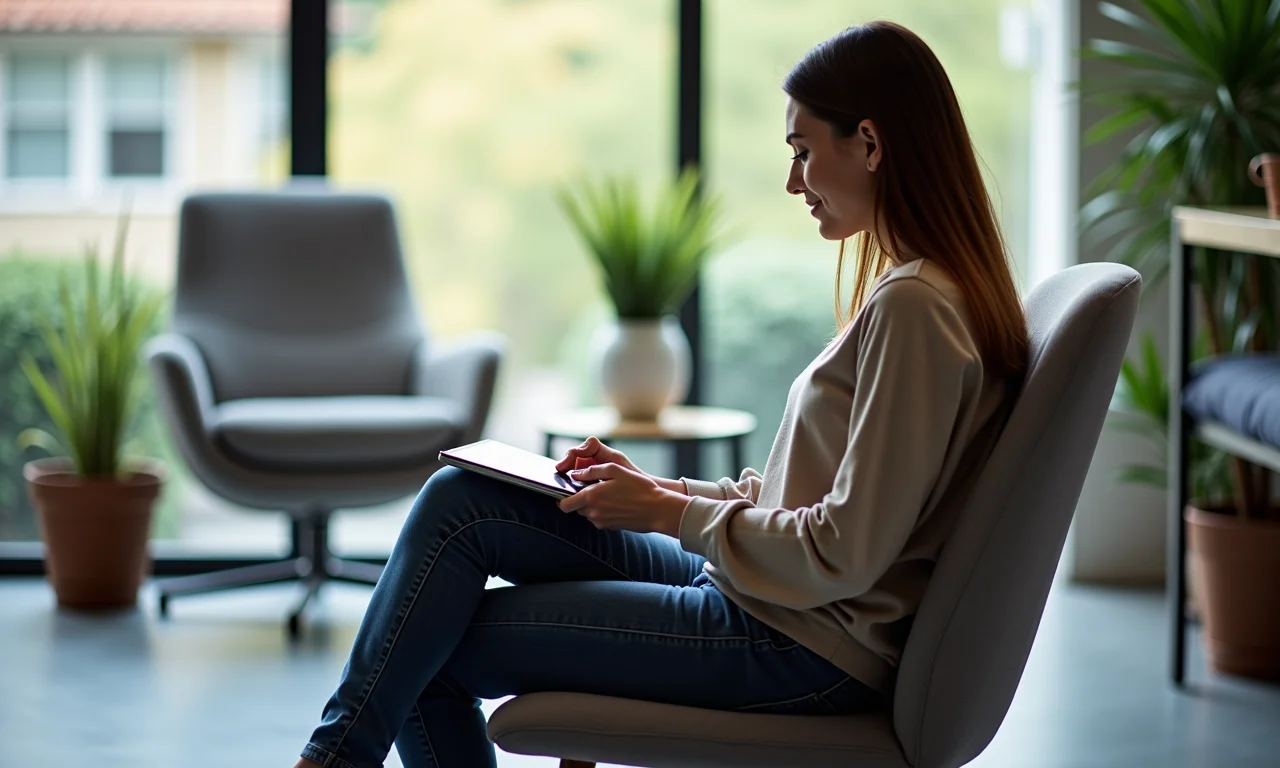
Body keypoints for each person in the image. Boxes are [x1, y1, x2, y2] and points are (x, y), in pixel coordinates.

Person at [295, 19, 1028, 768]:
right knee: (462, 499)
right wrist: (655, 487)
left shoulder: (916, 308)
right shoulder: (922, 295)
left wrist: (669, 514)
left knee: (425, 642)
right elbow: (807, 497)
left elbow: (842, 552)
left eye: (803, 152)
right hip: (770, 601)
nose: (792, 181)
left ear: (870, 145)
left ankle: (328, 761)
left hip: (795, 642)